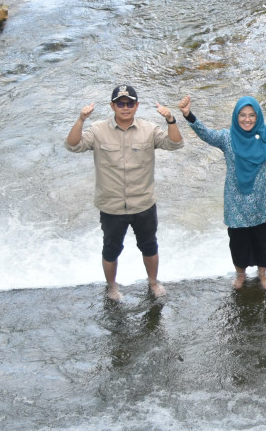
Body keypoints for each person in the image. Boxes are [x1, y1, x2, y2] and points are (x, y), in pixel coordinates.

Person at [65, 85, 183, 300]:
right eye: (121, 103)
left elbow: (175, 144)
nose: (125, 107)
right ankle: (112, 287)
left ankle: (153, 282)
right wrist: (81, 120)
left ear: (136, 106)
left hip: (143, 203)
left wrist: (171, 120)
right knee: (111, 249)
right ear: (112, 106)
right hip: (111, 205)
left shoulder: (149, 129)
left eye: (130, 103)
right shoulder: (98, 130)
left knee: (149, 246)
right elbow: (72, 146)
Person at [179, 92, 266, 290]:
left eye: (252, 115)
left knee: (261, 239)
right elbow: (206, 134)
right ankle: (240, 274)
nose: (247, 119)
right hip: (236, 201)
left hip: (261, 199)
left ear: (258, 117)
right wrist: (188, 115)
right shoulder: (227, 138)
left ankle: (262, 273)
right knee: (237, 240)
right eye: (242, 115)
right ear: (236, 117)